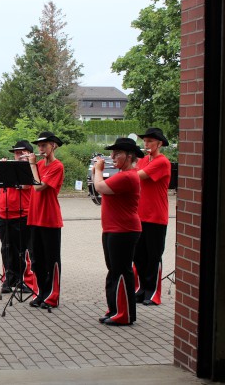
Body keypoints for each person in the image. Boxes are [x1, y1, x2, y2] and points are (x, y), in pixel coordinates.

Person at [92, 137, 143, 326]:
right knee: (113, 271)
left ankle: (124, 314)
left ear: (129, 156)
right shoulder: (122, 174)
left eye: (117, 153)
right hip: (113, 230)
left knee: (122, 272)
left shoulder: (128, 176)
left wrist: (98, 170)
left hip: (123, 230)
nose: (112, 156)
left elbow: (100, 187)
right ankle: (114, 309)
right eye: (112, 153)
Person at [27, 131, 64, 309]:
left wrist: (32, 165)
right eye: (39, 145)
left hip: (49, 218)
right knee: (37, 259)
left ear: (53, 146)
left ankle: (52, 296)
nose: (41, 148)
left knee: (51, 260)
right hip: (34, 216)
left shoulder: (57, 166)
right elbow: (27, 184)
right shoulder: (39, 164)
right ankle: (41, 293)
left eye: (44, 145)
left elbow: (39, 187)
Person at [134, 128, 171, 306]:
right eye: (145, 141)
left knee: (153, 256)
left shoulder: (162, 162)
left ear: (159, 143)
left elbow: (139, 175)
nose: (146, 144)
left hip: (156, 216)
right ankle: (141, 289)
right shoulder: (143, 160)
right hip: (140, 215)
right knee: (139, 255)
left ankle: (153, 293)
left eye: (149, 141)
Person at [0, 140, 37, 295]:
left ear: (28, 153)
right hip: (4, 213)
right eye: (16, 152)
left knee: (22, 250)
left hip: (22, 214)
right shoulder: (8, 168)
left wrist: (9, 170)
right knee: (6, 248)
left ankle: (23, 281)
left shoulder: (32, 168)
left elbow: (26, 185)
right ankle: (8, 278)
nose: (18, 155)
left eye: (21, 152)